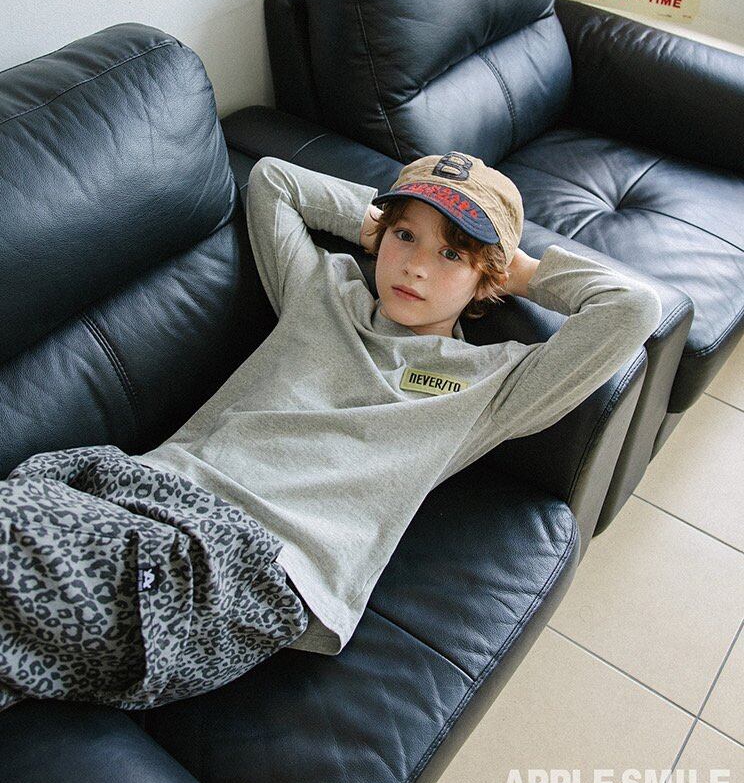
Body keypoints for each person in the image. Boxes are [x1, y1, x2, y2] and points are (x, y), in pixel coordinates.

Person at [0, 149, 663, 711]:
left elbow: (632, 308)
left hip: (255, 565)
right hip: (145, 491)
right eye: (406, 238)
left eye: (451, 254)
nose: (416, 267)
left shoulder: (492, 385)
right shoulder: (321, 289)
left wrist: (514, 268)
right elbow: (274, 180)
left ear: (485, 277)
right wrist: (377, 225)